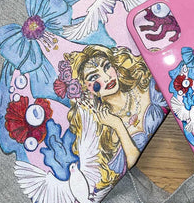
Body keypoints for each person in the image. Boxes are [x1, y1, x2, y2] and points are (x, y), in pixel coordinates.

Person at [64, 44, 166, 189]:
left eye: (106, 67)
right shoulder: (106, 132)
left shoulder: (143, 83)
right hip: (154, 170)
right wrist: (118, 125)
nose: (107, 78)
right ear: (86, 91)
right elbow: (130, 161)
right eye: (94, 77)